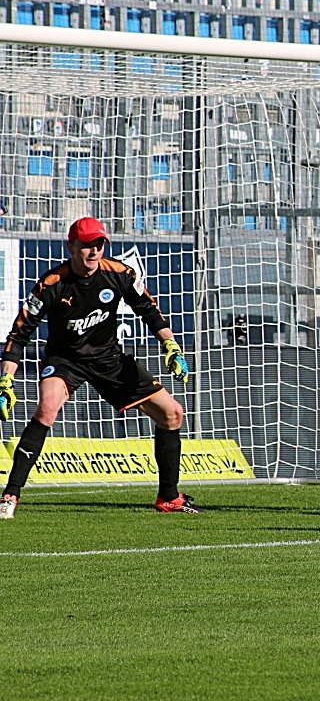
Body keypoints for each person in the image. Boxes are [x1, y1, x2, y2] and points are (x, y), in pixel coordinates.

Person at [0, 217, 194, 519]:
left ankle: (168, 496)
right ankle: (10, 495)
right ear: (71, 246)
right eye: (86, 245)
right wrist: (6, 383)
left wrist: (171, 345)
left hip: (109, 360)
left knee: (172, 414)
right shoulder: (51, 284)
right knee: (47, 408)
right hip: (65, 361)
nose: (93, 251)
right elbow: (19, 334)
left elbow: (149, 310)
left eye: (99, 244)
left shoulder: (119, 274)